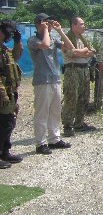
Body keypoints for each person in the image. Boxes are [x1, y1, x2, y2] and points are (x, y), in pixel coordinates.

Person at [27, 13, 75, 155]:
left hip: (55, 79)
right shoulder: (33, 40)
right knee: (42, 113)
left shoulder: (53, 38)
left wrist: (60, 31)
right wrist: (46, 31)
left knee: (55, 111)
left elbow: (70, 47)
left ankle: (54, 139)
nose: (49, 25)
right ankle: (40, 143)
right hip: (42, 80)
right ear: (39, 24)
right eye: (46, 22)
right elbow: (45, 45)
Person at [61, 17, 97, 137]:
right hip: (72, 69)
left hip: (84, 69)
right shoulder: (66, 38)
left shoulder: (83, 38)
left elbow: (92, 52)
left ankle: (79, 123)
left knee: (84, 97)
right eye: (81, 24)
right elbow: (73, 53)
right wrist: (84, 51)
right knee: (71, 97)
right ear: (73, 25)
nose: (84, 26)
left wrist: (82, 51)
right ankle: (67, 125)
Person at [0, 21, 23, 168]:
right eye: (8, 31)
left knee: (9, 122)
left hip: (10, 91)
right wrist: (3, 94)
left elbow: (15, 56)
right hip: (3, 93)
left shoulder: (4, 49)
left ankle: (5, 151)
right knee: (4, 123)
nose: (9, 34)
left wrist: (17, 42)